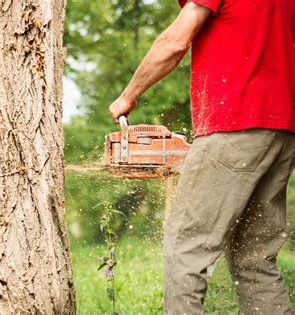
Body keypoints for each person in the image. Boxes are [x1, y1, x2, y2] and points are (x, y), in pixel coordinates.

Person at [108, 0, 295, 313]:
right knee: (255, 259)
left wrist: (128, 96)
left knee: (186, 249)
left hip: (234, 124)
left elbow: (174, 42)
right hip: (281, 130)